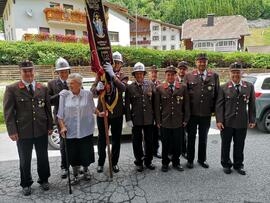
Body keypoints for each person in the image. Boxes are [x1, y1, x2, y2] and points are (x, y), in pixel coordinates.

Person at [3, 60, 53, 196]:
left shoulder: (42, 88)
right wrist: (12, 131)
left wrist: (50, 126)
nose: (28, 73)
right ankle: (26, 183)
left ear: (34, 71)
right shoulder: (12, 89)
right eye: (25, 71)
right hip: (23, 131)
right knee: (25, 159)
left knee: (43, 157)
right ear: (20, 72)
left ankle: (44, 179)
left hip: (41, 129)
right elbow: (8, 112)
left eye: (30, 70)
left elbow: (48, 109)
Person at [216, 62, 256, 175]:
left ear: (241, 73)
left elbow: (252, 104)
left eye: (238, 72)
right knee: (226, 144)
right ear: (229, 73)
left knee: (239, 144)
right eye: (233, 72)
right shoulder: (223, 87)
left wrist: (252, 119)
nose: (235, 74)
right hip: (227, 122)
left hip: (241, 122)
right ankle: (226, 164)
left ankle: (238, 165)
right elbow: (219, 105)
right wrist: (219, 120)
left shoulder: (249, 86)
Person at [57, 73, 98, 184]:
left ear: (79, 84)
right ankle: (75, 174)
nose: (70, 85)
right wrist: (62, 127)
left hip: (85, 130)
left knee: (85, 153)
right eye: (69, 83)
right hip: (71, 131)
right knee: (73, 154)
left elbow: (93, 109)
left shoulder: (87, 94)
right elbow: (60, 115)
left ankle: (85, 170)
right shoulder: (64, 96)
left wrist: (101, 113)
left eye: (72, 83)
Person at [91, 51, 127, 173]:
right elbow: (92, 91)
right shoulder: (101, 74)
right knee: (102, 139)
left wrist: (112, 76)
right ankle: (101, 162)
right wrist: (97, 88)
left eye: (118, 63)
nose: (116, 65)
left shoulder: (122, 76)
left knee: (116, 139)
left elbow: (123, 88)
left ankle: (114, 162)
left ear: (121, 65)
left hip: (116, 113)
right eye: (114, 62)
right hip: (103, 112)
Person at [184, 53, 220, 169]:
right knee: (191, 137)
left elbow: (217, 95)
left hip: (206, 113)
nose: (202, 63)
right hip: (192, 113)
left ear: (207, 63)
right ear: (196, 62)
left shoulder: (214, 76)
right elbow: (185, 96)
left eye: (204, 61)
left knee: (203, 138)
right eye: (200, 61)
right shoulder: (189, 76)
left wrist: (215, 112)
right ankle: (190, 160)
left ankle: (201, 159)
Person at [155, 65, 190, 172]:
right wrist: (158, 121)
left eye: (172, 75)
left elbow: (186, 105)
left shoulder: (182, 87)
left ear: (176, 75)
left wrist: (185, 120)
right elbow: (157, 107)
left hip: (178, 121)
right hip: (165, 122)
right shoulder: (160, 88)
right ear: (165, 75)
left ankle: (176, 162)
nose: (170, 77)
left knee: (177, 144)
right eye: (168, 75)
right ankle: (165, 163)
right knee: (165, 144)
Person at [125, 62, 155, 172]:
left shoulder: (150, 84)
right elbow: (127, 105)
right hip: (136, 118)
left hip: (148, 118)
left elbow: (155, 102)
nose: (139, 76)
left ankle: (148, 161)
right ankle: (139, 161)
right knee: (136, 142)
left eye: (141, 73)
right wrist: (128, 119)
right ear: (134, 75)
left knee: (149, 141)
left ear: (144, 74)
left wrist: (155, 117)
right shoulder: (130, 87)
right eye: (137, 74)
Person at [47, 57, 71, 179]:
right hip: (60, 116)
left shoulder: (73, 80)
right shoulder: (51, 84)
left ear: (68, 71)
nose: (64, 73)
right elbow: (49, 101)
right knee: (63, 144)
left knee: (75, 142)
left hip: (73, 116)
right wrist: (59, 95)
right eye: (61, 71)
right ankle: (64, 167)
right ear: (57, 72)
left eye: (65, 71)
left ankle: (77, 165)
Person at [176, 61, 189, 159]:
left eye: (184, 69)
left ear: (186, 70)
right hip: (175, 110)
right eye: (180, 69)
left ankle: (184, 150)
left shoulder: (189, 80)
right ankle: (174, 151)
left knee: (184, 133)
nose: (182, 71)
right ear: (177, 70)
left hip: (185, 110)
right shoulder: (173, 79)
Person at [150, 65, 161, 158]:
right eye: (152, 72)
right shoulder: (146, 84)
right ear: (149, 73)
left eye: (155, 72)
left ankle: (156, 150)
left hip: (157, 113)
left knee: (156, 133)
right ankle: (148, 151)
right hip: (148, 113)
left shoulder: (160, 84)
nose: (154, 74)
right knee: (148, 134)